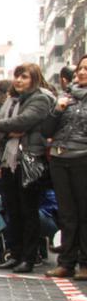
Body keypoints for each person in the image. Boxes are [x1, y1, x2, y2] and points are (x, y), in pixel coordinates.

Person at [0, 64, 53, 273]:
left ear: (34, 79)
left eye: (24, 77)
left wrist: (0, 125)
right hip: (7, 161)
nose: (19, 80)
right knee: (12, 209)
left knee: (28, 210)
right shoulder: (10, 100)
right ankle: (15, 254)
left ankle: (29, 257)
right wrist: (6, 131)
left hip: (29, 161)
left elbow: (24, 121)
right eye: (17, 76)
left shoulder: (41, 98)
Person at [44, 56, 87, 279]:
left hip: (83, 159)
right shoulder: (65, 97)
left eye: (86, 69)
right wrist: (57, 110)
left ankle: (84, 263)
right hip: (60, 159)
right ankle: (66, 263)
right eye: (80, 68)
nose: (81, 73)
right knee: (67, 214)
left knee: (84, 214)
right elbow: (47, 130)